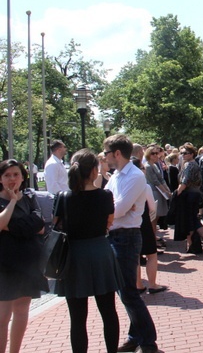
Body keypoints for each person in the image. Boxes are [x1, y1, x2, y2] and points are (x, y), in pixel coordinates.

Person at [53, 150, 123, 353]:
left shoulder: (63, 197)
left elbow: (56, 225)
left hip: (73, 255)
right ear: (94, 171)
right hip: (100, 252)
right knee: (109, 311)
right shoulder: (105, 195)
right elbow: (109, 223)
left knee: (77, 318)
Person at [103, 135, 159, 353]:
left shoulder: (135, 176)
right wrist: (112, 208)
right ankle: (136, 336)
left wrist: (112, 209)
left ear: (117, 153)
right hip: (116, 235)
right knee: (123, 291)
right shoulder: (116, 176)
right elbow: (108, 203)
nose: (105, 157)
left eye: (107, 153)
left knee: (128, 292)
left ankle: (147, 341)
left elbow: (119, 209)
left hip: (126, 237)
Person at [0, 159, 48, 353]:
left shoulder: (30, 197)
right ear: (0, 179)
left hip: (28, 262)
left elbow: (40, 225)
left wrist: (11, 227)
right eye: (7, 175)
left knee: (22, 311)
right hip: (5, 264)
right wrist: (12, 201)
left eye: (16, 174)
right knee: (3, 316)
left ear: (23, 176)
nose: (12, 179)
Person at [130, 158, 167, 295]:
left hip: (131, 224)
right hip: (144, 222)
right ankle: (152, 284)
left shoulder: (124, 185)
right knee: (151, 254)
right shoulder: (144, 186)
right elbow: (152, 207)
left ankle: (138, 284)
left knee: (136, 257)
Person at [175, 144, 203, 254]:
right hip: (196, 194)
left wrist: (177, 193)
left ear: (192, 154)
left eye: (185, 153)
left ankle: (191, 244)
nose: (183, 155)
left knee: (188, 220)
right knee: (194, 219)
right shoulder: (193, 164)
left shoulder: (189, 165)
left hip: (189, 195)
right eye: (181, 153)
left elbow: (184, 181)